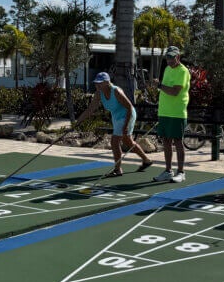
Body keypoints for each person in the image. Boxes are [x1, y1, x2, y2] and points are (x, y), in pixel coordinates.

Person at [76, 72, 153, 177]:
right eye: (96, 83)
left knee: (114, 141)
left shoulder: (116, 91)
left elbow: (129, 107)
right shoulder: (99, 93)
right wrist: (77, 123)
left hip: (127, 115)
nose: (97, 85)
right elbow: (90, 110)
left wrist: (125, 126)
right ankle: (146, 160)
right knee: (128, 141)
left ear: (107, 82)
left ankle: (117, 169)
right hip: (116, 116)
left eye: (100, 83)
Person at [151, 45, 191, 183]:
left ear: (178, 57)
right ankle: (168, 171)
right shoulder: (167, 69)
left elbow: (175, 91)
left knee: (178, 142)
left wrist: (159, 85)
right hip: (165, 112)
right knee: (166, 141)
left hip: (177, 113)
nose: (169, 60)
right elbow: (165, 90)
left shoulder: (183, 71)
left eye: (172, 57)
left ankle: (181, 172)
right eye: (167, 57)